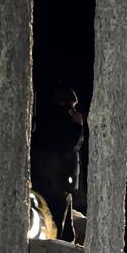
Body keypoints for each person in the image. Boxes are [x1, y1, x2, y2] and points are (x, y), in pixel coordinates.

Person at [30, 87, 85, 241]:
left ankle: (65, 243)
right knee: (54, 223)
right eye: (72, 106)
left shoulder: (55, 120)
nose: (74, 110)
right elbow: (66, 145)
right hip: (54, 183)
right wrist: (77, 125)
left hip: (59, 183)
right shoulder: (58, 121)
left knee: (66, 228)